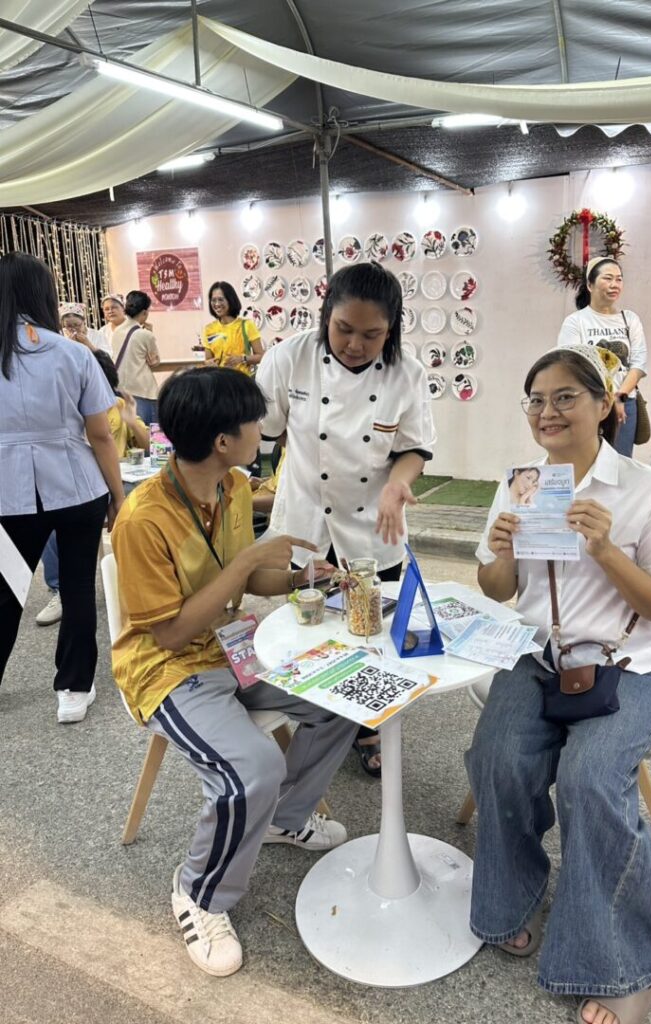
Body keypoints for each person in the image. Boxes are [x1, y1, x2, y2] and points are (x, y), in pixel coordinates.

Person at [468, 345, 651, 1024]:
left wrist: (605, 551)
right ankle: (512, 897)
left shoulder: (648, 490)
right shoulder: (524, 486)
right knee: (497, 758)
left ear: (604, 406)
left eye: (566, 396)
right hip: (542, 659)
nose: (548, 411)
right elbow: (497, 588)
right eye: (536, 400)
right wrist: (502, 552)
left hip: (628, 669)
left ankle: (628, 964)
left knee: (590, 778)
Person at [110, 366, 356, 977]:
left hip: (232, 648)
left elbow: (248, 583)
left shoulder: (235, 486)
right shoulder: (142, 519)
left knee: (343, 699)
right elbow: (169, 633)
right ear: (223, 440)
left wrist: (301, 579)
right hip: (166, 670)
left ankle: (282, 819)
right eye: (253, 422)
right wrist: (246, 564)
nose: (262, 430)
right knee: (254, 767)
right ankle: (199, 894)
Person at [256, 261, 436, 776]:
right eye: (343, 329)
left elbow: (414, 447)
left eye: (372, 334)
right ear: (325, 314)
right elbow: (262, 429)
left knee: (371, 631)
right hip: (306, 519)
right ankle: (319, 719)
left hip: (373, 523)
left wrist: (398, 484)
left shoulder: (407, 373)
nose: (355, 344)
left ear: (392, 329)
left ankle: (367, 726)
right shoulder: (289, 358)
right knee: (309, 625)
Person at [0, 252, 123, 722]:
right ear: (44, 296)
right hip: (78, 485)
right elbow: (101, 435)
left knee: (5, 589)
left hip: (8, 492)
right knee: (77, 587)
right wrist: (118, 495)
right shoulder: (74, 353)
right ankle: (73, 689)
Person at [36, 350, 149, 627]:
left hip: (120, 479)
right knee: (52, 524)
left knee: (143, 510)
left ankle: (142, 581)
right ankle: (60, 589)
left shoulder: (118, 405)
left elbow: (149, 445)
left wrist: (131, 420)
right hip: (79, 483)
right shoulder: (63, 408)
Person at [557, 257, 648, 457]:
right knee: (586, 461)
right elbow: (571, 366)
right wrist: (605, 400)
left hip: (624, 403)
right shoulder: (575, 322)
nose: (615, 284)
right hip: (588, 403)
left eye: (619, 279)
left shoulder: (630, 319)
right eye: (608, 278)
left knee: (619, 464)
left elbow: (639, 364)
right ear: (590, 285)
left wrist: (619, 397)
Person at [111, 289, 162, 425]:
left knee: (130, 434)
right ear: (144, 312)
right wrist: (150, 332)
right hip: (143, 391)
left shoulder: (116, 331)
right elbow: (155, 361)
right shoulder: (145, 335)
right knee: (149, 433)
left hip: (121, 390)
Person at [203, 281, 264, 375]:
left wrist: (242, 359)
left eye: (221, 299)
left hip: (241, 381)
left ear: (230, 300)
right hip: (218, 381)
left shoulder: (247, 325)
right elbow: (208, 360)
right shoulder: (209, 329)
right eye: (213, 300)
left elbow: (261, 356)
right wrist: (208, 363)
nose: (217, 304)